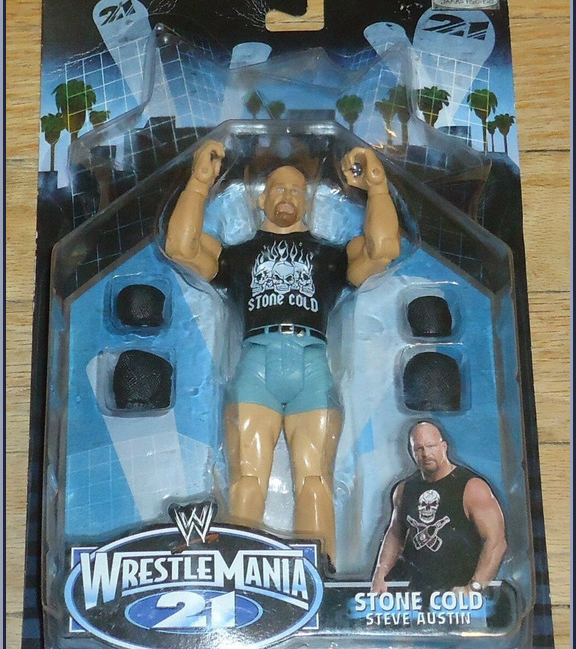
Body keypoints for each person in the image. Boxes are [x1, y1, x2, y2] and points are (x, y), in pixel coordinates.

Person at [165, 139, 401, 566]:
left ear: (308, 201)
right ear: (261, 199)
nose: (288, 195)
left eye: (296, 189)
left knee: (315, 481)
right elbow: (181, 248)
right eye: (278, 188)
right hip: (256, 361)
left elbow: (383, 250)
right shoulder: (238, 256)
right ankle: (240, 568)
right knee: (246, 480)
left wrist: (378, 187)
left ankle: (319, 571)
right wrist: (199, 184)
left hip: (312, 362)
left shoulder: (330, 256)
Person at [371, 421, 507, 598]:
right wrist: (380, 574)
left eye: (431, 446)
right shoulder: (404, 490)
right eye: (419, 448)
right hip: (418, 594)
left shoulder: (472, 488)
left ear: (444, 447)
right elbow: (396, 533)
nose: (426, 454)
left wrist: (474, 587)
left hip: (461, 595)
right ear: (412, 452)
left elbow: (496, 542)